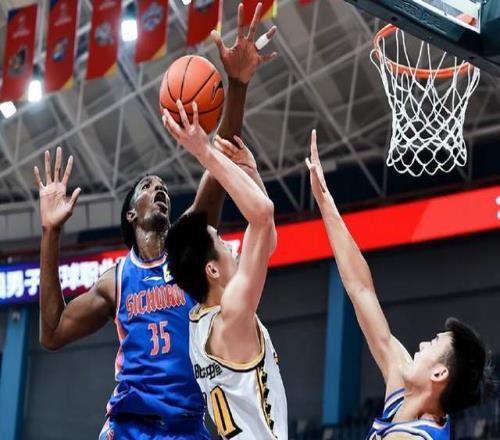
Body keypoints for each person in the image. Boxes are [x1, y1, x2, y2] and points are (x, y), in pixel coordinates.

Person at [33, 3, 278, 438]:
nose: (159, 188)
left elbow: (221, 159)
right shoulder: (117, 281)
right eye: (148, 187)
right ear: (131, 213)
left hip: (185, 425)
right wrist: (50, 233)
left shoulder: (188, 250)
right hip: (129, 424)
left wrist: (237, 86)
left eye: (163, 186)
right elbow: (51, 333)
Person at [305, 130, 495, 439]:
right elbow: (361, 289)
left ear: (439, 373)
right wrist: (325, 202)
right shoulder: (402, 389)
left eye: (433, 343)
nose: (421, 345)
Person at [162, 101, 287, 439]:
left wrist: (251, 173)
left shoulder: (200, 321)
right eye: (222, 243)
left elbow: (266, 241)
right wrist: (204, 152)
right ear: (212, 271)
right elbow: (262, 215)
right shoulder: (231, 317)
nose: (232, 248)